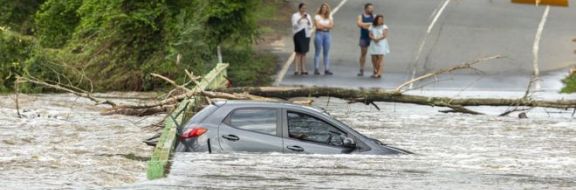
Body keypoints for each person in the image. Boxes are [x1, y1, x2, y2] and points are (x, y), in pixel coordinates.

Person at [292, 3, 313, 75]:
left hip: (306, 35)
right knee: (298, 52)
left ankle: (303, 69)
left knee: (304, 52)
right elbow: (294, 25)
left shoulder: (308, 16)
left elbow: (311, 26)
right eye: (302, 8)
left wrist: (307, 19)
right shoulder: (295, 15)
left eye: (305, 8)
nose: (304, 10)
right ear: (299, 8)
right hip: (298, 34)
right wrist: (300, 18)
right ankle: (296, 69)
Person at [313, 3, 334, 75]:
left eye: (326, 8)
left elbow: (331, 26)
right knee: (317, 52)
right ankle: (316, 68)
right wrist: (326, 25)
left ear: (327, 9)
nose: (324, 9)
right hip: (319, 33)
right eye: (323, 8)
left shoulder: (330, 16)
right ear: (321, 9)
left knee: (326, 52)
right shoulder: (317, 16)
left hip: (327, 34)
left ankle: (327, 69)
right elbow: (318, 26)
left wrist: (323, 25)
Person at [356, 3, 374, 77]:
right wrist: (369, 24)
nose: (371, 9)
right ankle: (361, 69)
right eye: (369, 8)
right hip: (364, 37)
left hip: (372, 37)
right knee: (363, 53)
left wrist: (364, 25)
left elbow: (376, 25)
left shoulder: (374, 16)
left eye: (372, 8)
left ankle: (375, 70)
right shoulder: (361, 16)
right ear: (365, 9)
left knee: (374, 55)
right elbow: (359, 24)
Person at [368, 14, 390, 79]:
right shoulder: (372, 26)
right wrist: (373, 38)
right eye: (379, 19)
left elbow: (385, 35)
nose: (381, 20)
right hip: (373, 43)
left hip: (381, 43)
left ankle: (379, 73)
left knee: (380, 59)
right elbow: (370, 34)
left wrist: (378, 39)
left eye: (382, 19)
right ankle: (375, 70)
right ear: (376, 20)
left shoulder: (384, 27)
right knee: (374, 58)